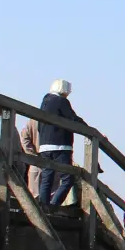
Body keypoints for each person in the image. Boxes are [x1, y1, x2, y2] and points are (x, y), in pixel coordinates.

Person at [36, 79, 81, 207]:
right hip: (60, 145)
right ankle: (54, 205)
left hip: (45, 145)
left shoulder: (45, 102)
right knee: (67, 179)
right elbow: (72, 118)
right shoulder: (61, 101)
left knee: (47, 178)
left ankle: (43, 207)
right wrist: (90, 129)